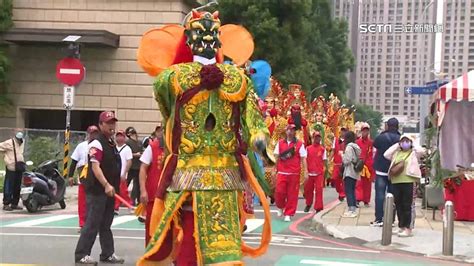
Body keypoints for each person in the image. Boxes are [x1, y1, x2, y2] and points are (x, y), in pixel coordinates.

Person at [136, 11, 271, 264]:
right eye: (200, 32)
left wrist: (260, 140)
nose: (207, 38)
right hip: (188, 174)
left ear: (220, 38)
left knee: (224, 245)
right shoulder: (171, 79)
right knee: (187, 240)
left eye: (212, 33)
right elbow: (170, 119)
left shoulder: (238, 80)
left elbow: (253, 121)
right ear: (188, 37)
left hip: (225, 176)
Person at [74, 111, 124, 265]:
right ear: (101, 125)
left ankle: (107, 253)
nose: (111, 126)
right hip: (98, 191)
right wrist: (106, 185)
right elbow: (95, 167)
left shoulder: (111, 143)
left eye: (113, 123)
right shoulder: (96, 143)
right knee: (92, 223)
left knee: (106, 224)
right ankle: (82, 254)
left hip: (110, 191)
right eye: (108, 123)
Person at [384, 134, 424, 237]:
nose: (404, 143)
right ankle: (401, 226)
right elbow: (386, 154)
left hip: (409, 181)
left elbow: (421, 151)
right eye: (403, 141)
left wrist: (413, 142)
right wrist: (397, 145)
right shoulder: (397, 153)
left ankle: (408, 228)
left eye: (407, 141)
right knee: (398, 205)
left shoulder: (413, 153)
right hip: (396, 181)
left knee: (407, 205)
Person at [138, 135, 168, 262]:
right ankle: (152, 258)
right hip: (154, 197)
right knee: (152, 230)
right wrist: (143, 190)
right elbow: (143, 168)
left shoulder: (178, 146)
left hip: (173, 198)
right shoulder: (154, 147)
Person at [274, 124, 308, 222]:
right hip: (282, 172)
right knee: (279, 192)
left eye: (292, 130)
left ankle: (288, 213)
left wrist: (306, 171)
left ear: (294, 132)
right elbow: (276, 157)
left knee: (292, 194)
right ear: (286, 131)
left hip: (294, 173)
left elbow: (303, 158)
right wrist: (274, 169)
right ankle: (280, 206)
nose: (290, 132)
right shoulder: (280, 143)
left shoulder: (299, 144)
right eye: (288, 130)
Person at [370, 118, 401, 227]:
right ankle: (391, 219)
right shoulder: (400, 139)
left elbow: (375, 145)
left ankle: (379, 219)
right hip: (394, 171)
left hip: (381, 170)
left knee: (379, 195)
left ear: (387, 125)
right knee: (392, 195)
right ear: (397, 126)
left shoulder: (381, 137)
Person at [68, 125, 99, 229]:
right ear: (88, 134)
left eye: (95, 133)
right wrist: (70, 176)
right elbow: (74, 161)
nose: (93, 135)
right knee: (83, 203)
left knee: (94, 202)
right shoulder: (81, 146)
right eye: (91, 133)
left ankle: (93, 224)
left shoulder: (99, 146)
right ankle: (82, 224)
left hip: (96, 178)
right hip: (83, 176)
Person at [0, 131, 25, 211]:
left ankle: (14, 203)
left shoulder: (22, 142)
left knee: (17, 186)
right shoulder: (9, 142)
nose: (20, 140)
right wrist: (6, 158)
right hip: (11, 167)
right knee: (9, 186)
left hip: (19, 167)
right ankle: (6, 203)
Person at [303, 131, 327, 213]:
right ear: (313, 138)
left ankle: (318, 207)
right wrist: (305, 170)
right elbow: (304, 160)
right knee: (308, 190)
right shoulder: (308, 148)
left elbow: (324, 161)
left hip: (319, 174)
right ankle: (308, 204)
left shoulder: (323, 149)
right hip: (310, 173)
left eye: (319, 137)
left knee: (319, 190)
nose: (317, 138)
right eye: (316, 137)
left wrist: (323, 171)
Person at [341, 131, 361, 218]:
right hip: (355, 172)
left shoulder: (349, 147)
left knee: (348, 191)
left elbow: (347, 160)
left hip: (349, 171)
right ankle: (353, 209)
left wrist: (342, 155)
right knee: (352, 190)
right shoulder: (356, 147)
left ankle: (351, 210)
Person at [355, 123, 374, 207]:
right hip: (359, 165)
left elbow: (372, 154)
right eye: (364, 131)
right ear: (361, 132)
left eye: (367, 131)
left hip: (368, 165)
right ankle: (358, 199)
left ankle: (366, 200)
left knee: (367, 184)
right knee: (359, 183)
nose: (365, 132)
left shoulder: (371, 143)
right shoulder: (357, 142)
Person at [114, 130, 133, 215]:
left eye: (121, 136)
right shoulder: (113, 147)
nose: (119, 137)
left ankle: (129, 205)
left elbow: (129, 161)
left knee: (123, 192)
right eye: (118, 136)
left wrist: (125, 172)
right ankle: (115, 207)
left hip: (122, 174)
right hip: (114, 174)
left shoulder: (127, 149)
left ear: (124, 137)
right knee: (116, 192)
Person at [125, 127, 142, 206]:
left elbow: (142, 151)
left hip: (138, 166)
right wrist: (135, 155)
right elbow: (127, 154)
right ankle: (126, 199)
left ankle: (136, 199)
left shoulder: (139, 142)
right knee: (127, 182)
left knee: (137, 184)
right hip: (131, 166)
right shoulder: (128, 142)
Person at [332, 127, 348, 201]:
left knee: (344, 180)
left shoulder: (348, 142)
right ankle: (340, 191)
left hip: (344, 163)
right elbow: (333, 150)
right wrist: (331, 159)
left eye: (344, 131)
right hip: (336, 163)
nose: (343, 133)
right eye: (342, 131)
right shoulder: (335, 140)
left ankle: (342, 194)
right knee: (335, 179)